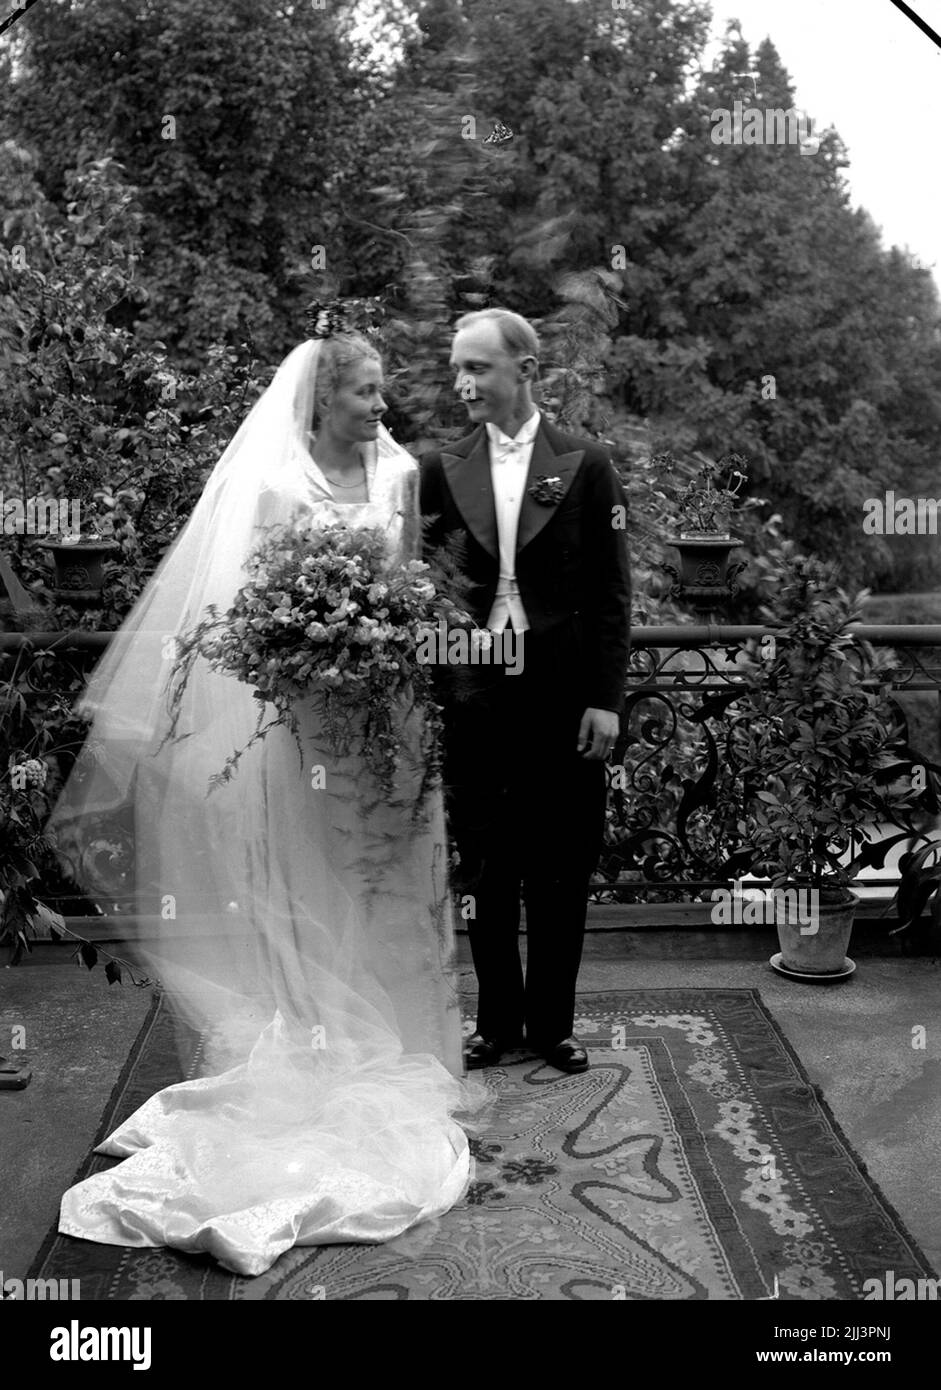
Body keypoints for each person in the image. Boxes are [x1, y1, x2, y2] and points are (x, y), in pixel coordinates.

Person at [52, 326, 484, 1278]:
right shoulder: (274, 483)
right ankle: (308, 1038)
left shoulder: (400, 472)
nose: (382, 407)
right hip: (295, 727)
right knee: (299, 874)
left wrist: (383, 641)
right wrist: (311, 651)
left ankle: (389, 1032)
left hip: (384, 723)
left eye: (381, 392)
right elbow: (248, 608)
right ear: (322, 399)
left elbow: (409, 585)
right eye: (366, 393)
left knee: (383, 875)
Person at [420, 308, 632, 1075]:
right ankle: (495, 1023)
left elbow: (611, 593)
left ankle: (551, 1026)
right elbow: (428, 589)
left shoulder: (586, 463)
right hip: (475, 691)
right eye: (456, 368)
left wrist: (605, 698)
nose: (462, 382)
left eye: (476, 367)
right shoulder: (439, 469)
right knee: (484, 865)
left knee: (559, 861)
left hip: (564, 690)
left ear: (525, 371)